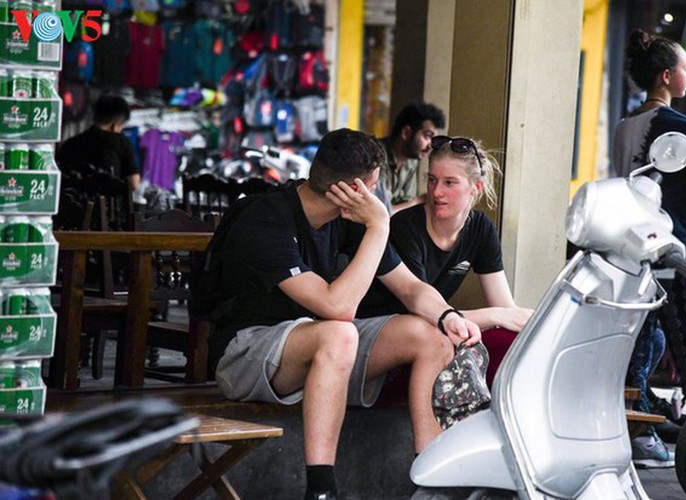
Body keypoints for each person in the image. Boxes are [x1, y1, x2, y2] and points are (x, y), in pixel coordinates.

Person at [208, 128, 481, 500]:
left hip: (322, 348)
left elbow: (410, 288)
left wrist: (448, 316)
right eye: (375, 186)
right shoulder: (265, 219)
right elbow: (338, 307)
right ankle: (322, 491)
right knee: (339, 331)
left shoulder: (350, 220)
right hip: (245, 354)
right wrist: (380, 223)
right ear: (360, 189)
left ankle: (430, 479)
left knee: (428, 335)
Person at [613, 29, 686, 468]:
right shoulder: (682, 126)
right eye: (684, 68)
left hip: (634, 255)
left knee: (641, 345)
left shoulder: (623, 127)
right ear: (665, 76)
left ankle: (639, 436)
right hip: (676, 254)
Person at [361, 136, 533, 387]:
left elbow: (507, 310)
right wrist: (497, 315)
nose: (436, 192)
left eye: (449, 183)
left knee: (509, 340)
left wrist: (510, 318)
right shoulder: (406, 226)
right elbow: (423, 313)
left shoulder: (481, 228)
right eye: (432, 180)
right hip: (386, 338)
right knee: (437, 335)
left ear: (476, 187)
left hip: (436, 328)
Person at [57, 95, 140, 191]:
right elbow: (134, 183)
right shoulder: (122, 142)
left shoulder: (70, 144)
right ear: (115, 125)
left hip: (70, 204)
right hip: (107, 204)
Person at [375, 101, 446, 214]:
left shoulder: (411, 162)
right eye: (427, 136)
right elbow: (378, 214)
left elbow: (407, 210)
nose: (430, 145)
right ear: (406, 133)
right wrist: (417, 202)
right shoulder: (375, 156)